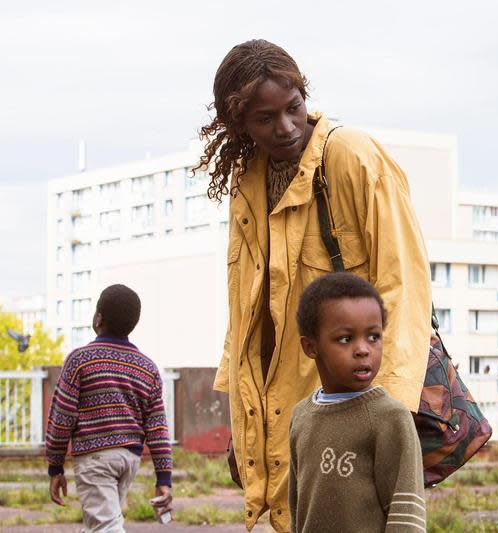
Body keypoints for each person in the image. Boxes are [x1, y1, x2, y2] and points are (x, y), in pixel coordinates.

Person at [198, 40, 432, 532]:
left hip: (356, 403)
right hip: (293, 414)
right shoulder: (247, 184)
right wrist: (245, 431)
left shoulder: (352, 156)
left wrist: (388, 409)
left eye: (294, 107)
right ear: (238, 125)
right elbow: (245, 315)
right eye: (265, 119)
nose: (285, 127)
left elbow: (404, 281)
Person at [289, 272, 426, 532]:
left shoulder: (389, 417)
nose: (363, 349)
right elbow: (297, 508)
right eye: (345, 339)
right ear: (310, 347)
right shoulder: (301, 416)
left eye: (373, 336)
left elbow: (406, 511)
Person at [45, 284, 173, 532]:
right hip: (129, 459)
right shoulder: (147, 368)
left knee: (105, 526)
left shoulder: (80, 360)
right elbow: (158, 428)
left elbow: (62, 418)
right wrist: (164, 477)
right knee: (101, 522)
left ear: (98, 318)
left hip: (96, 458)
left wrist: (55, 465)